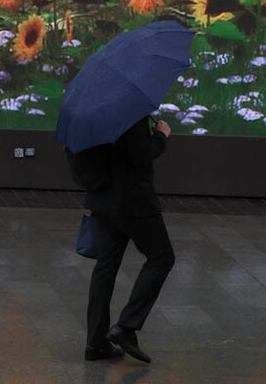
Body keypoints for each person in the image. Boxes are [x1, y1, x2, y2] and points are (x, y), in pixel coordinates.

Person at [84, 115, 174, 364]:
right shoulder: (129, 116)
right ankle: (126, 326)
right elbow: (140, 156)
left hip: (103, 198)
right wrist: (160, 136)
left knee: (105, 267)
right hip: (134, 203)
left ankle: (95, 343)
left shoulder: (94, 114)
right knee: (162, 258)